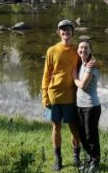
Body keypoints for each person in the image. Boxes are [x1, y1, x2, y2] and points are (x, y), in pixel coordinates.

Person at [42, 19, 93, 171]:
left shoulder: (77, 50)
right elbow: (46, 74)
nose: (65, 32)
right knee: (56, 126)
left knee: (74, 128)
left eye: (68, 29)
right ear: (59, 33)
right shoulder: (51, 51)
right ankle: (58, 159)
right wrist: (45, 95)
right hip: (54, 95)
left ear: (72, 32)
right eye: (62, 29)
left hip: (72, 96)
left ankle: (76, 157)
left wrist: (96, 64)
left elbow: (89, 60)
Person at [73, 40, 101, 170]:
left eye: (86, 48)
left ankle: (95, 161)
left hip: (91, 106)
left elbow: (83, 86)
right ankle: (90, 158)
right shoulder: (82, 63)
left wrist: (74, 78)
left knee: (91, 135)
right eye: (81, 48)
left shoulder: (91, 65)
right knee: (82, 135)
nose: (83, 50)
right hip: (79, 106)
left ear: (90, 51)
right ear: (78, 50)